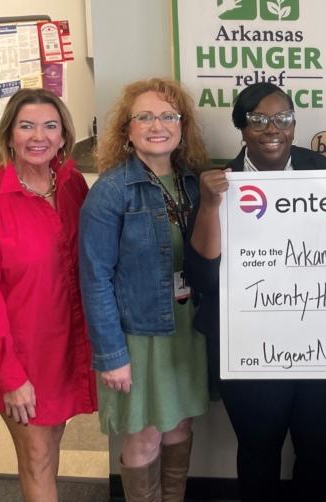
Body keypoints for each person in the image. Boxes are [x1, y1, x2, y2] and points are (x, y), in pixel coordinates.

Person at [185, 82, 326, 502]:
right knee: (259, 450)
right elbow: (202, 276)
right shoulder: (220, 184)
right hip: (250, 343)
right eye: (258, 119)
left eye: (283, 118)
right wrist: (209, 206)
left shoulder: (320, 170)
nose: (272, 128)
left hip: (318, 342)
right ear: (241, 128)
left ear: (294, 125)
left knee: (322, 450)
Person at [0, 88, 96, 502]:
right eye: (26, 126)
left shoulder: (71, 185)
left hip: (68, 347)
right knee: (36, 460)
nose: (39, 136)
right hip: (20, 358)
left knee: (50, 451)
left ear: (64, 136)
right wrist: (10, 378)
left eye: (50, 126)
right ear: (9, 135)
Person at [79, 78, 209, 501]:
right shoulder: (111, 192)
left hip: (186, 330)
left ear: (182, 126)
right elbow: (94, 278)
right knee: (145, 437)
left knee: (180, 426)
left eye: (168, 116)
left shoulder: (193, 185)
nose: (158, 125)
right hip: (138, 338)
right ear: (127, 130)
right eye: (145, 117)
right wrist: (112, 356)